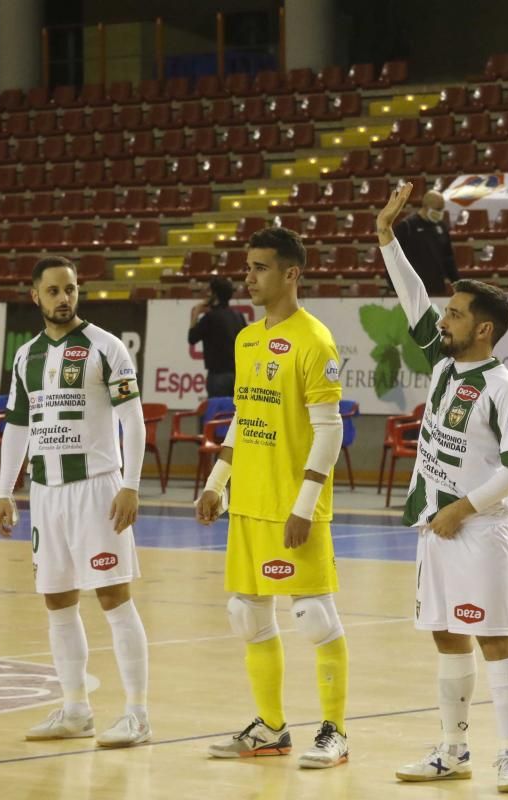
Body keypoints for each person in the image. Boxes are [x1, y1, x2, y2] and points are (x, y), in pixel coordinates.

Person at [377, 185, 508, 793]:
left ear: (484, 328)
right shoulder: (443, 364)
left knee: (493, 636)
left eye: (456, 314)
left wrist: (463, 509)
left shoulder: (504, 389)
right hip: (435, 527)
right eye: (446, 313)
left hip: (479, 528)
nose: (444, 320)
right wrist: (387, 237)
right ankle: (453, 749)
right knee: (446, 635)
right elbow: (411, 294)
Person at [195, 226, 350, 769]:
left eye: (260, 267)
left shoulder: (316, 340)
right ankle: (271, 730)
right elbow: (245, 416)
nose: (249, 277)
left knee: (313, 616)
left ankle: (335, 732)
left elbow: (329, 431)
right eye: (248, 266)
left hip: (293, 510)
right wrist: (217, 483)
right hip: (249, 503)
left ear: (292, 273)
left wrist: (304, 507)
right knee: (247, 615)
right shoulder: (245, 338)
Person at [0, 255, 152, 747]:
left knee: (114, 599)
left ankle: (137, 714)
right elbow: (18, 427)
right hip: (46, 494)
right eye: (55, 290)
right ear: (35, 295)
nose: (65, 298)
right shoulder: (25, 357)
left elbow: (134, 420)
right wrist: (4, 492)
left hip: (98, 489)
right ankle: (76, 709)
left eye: (72, 289)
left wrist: (131, 484)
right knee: (57, 602)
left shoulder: (106, 347)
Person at [388, 189, 460, 297]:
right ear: (426, 207)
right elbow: (392, 258)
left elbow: (448, 258)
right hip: (412, 291)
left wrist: (457, 283)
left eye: (442, 209)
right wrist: (394, 286)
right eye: (437, 209)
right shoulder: (407, 227)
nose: (440, 213)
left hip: (437, 289)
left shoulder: (441, 226)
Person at [188, 275, 246, 398]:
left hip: (218, 376)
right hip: (238, 375)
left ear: (215, 295)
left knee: (217, 414)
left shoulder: (210, 317)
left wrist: (196, 312)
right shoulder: (238, 316)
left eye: (210, 292)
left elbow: (192, 338)